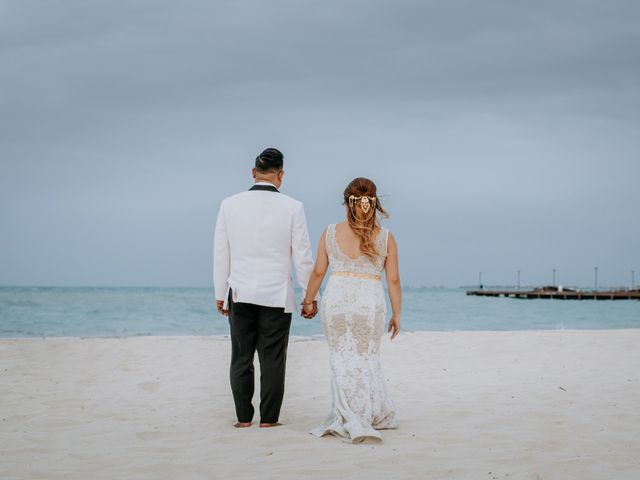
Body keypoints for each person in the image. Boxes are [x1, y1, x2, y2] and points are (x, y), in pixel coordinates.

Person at [213, 148, 317, 428]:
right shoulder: (293, 207)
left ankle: (243, 419)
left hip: (241, 292)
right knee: (273, 359)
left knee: (241, 356)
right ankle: (269, 420)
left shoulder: (229, 204)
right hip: (276, 294)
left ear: (253, 172)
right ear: (281, 175)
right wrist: (310, 297)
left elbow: (221, 252)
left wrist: (220, 293)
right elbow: (303, 256)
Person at [302, 177, 400, 443]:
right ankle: (365, 411)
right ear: (374, 202)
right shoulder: (387, 238)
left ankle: (345, 412)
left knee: (341, 356)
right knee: (367, 356)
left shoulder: (330, 232)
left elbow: (319, 271)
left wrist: (308, 300)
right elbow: (393, 280)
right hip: (370, 302)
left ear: (347, 202)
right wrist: (397, 314)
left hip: (337, 300)